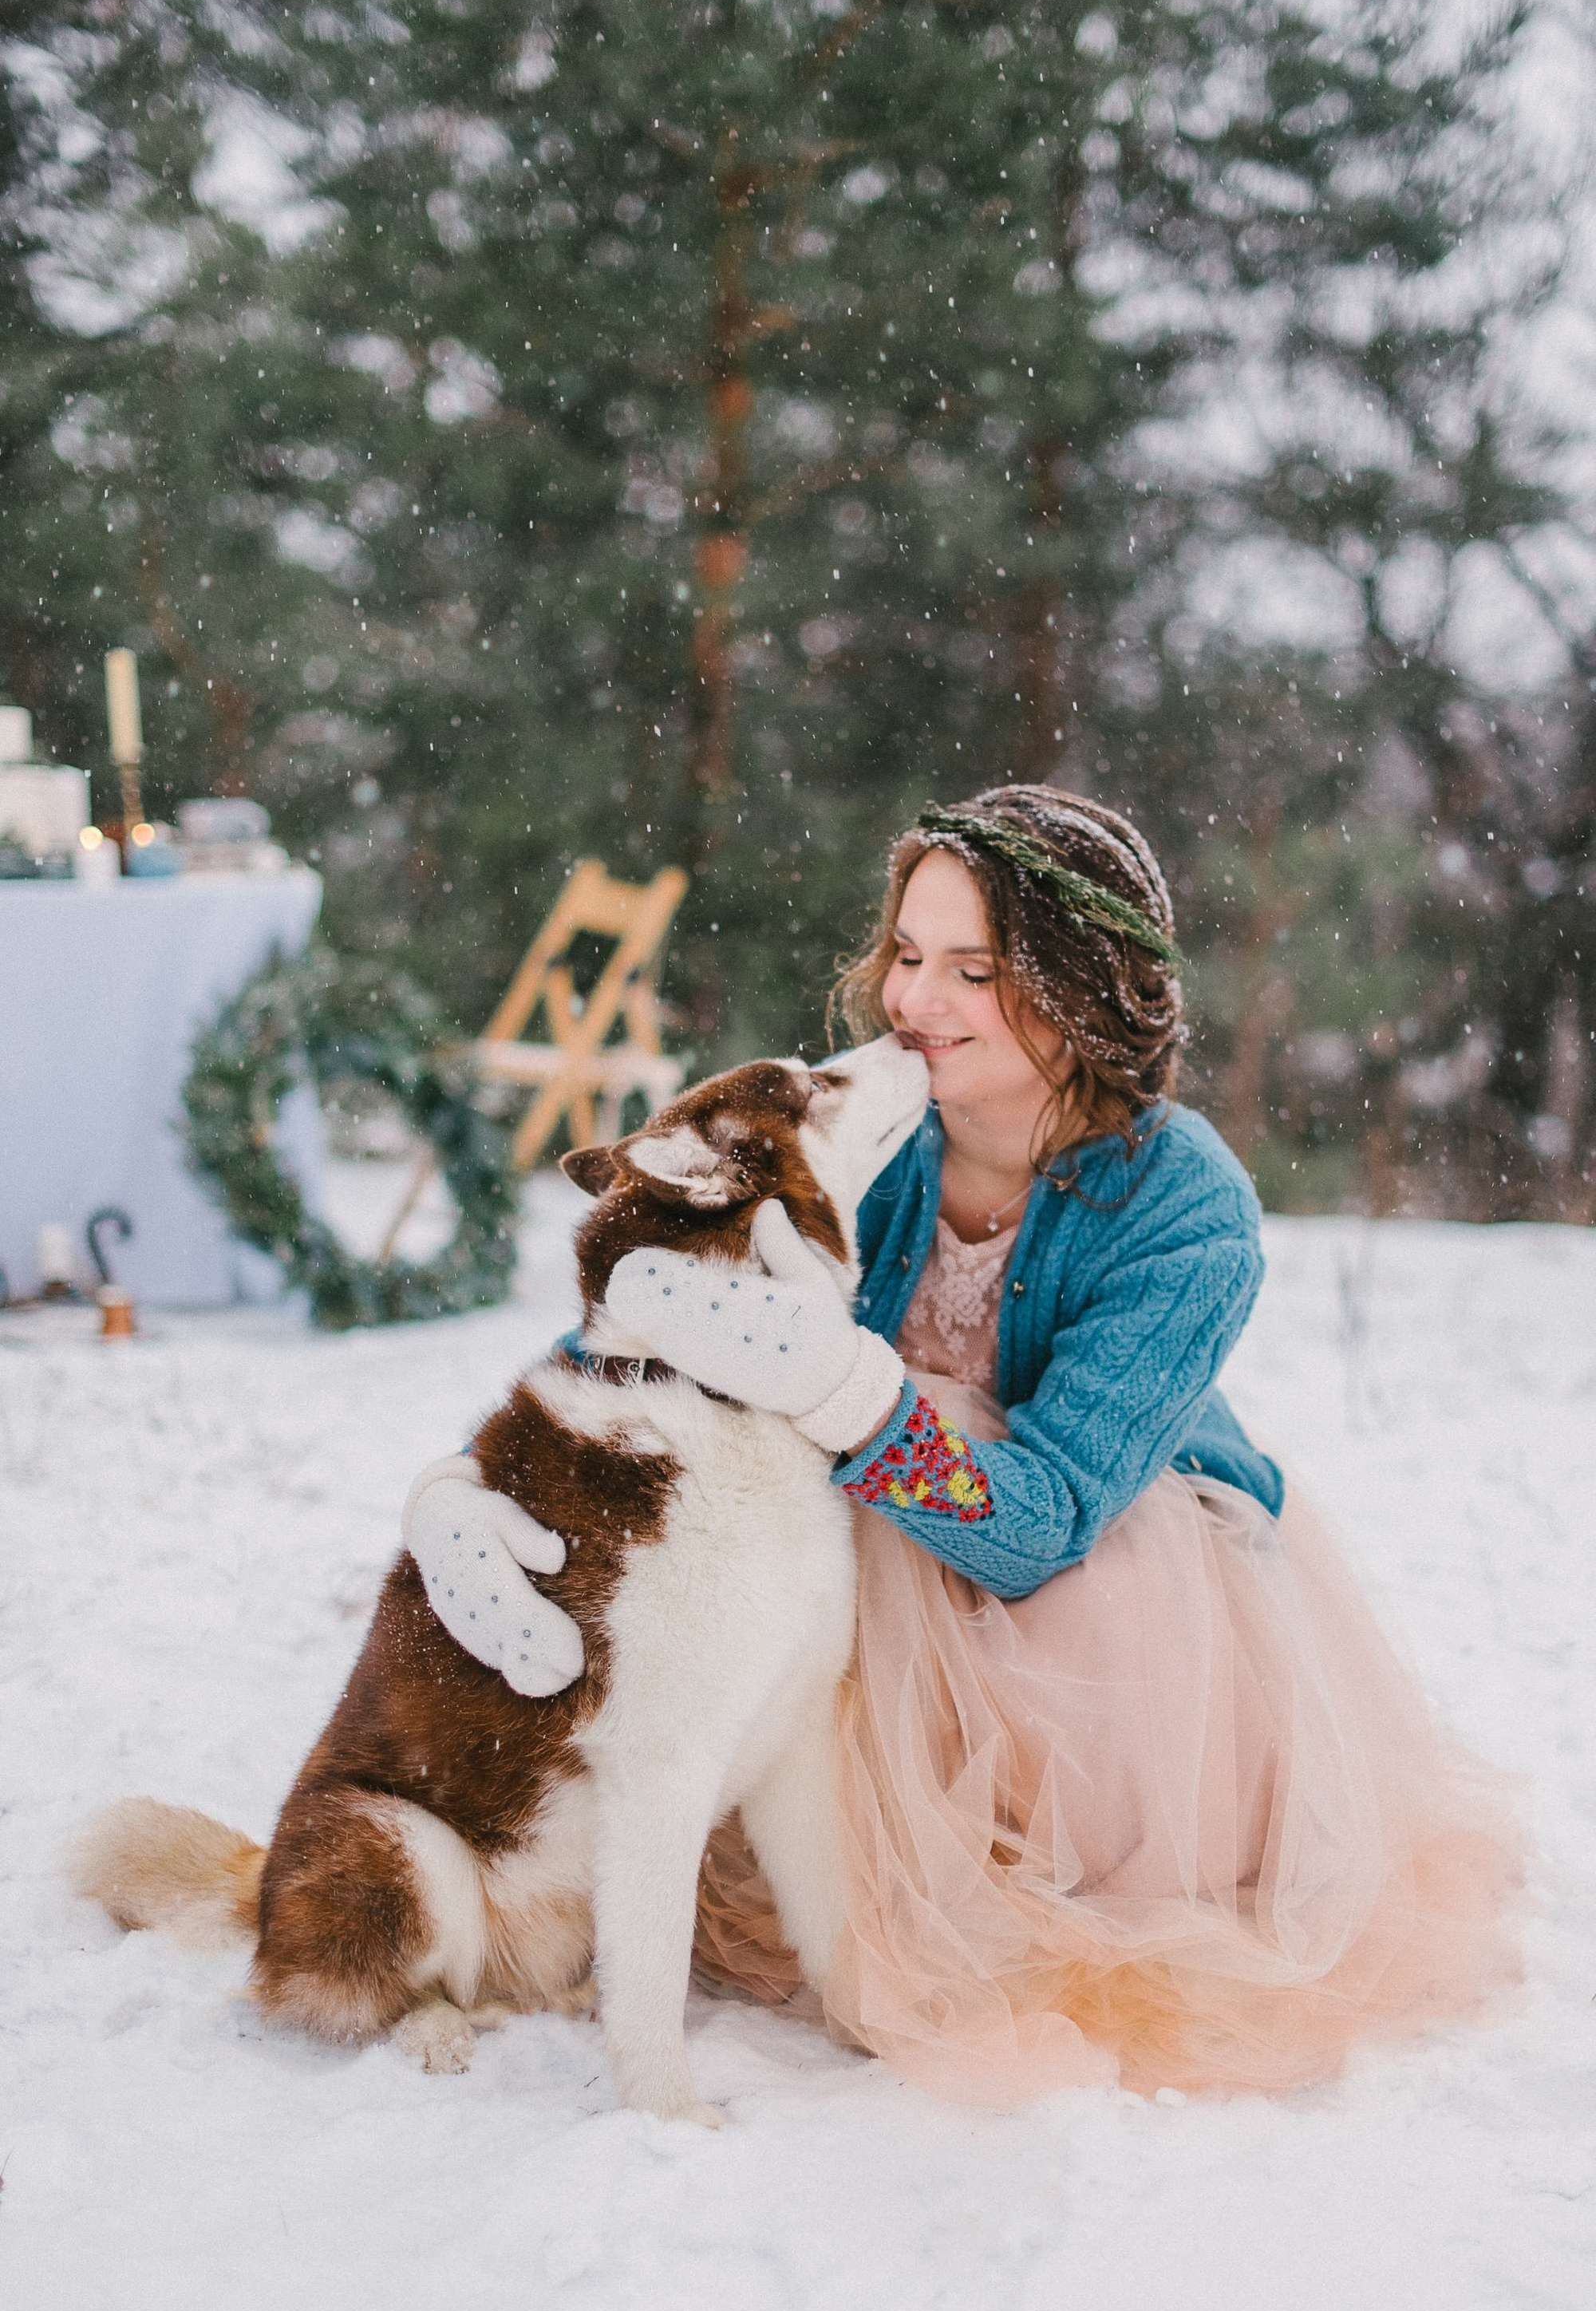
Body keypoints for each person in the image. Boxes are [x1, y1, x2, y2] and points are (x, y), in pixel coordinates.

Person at [401, 785, 1522, 2103]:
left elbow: (1041, 1526)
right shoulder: (865, 1122)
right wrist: (466, 1482)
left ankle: (978, 1853)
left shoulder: (1187, 1210)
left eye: (973, 971)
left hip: (1084, 1580)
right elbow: (653, 1321)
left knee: (1009, 1830)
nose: (912, 1002)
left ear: (1081, 989)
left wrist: (845, 1392)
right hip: (845, 1536)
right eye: (909, 957)